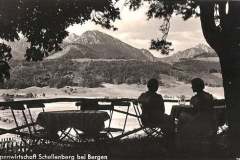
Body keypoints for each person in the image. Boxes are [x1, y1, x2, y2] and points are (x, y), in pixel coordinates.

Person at [177, 78, 217, 152]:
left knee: (182, 116)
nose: (192, 87)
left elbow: (193, 112)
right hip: (211, 123)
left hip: (199, 124)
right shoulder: (210, 96)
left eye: (193, 85)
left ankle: (179, 144)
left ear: (196, 86)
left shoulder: (195, 99)